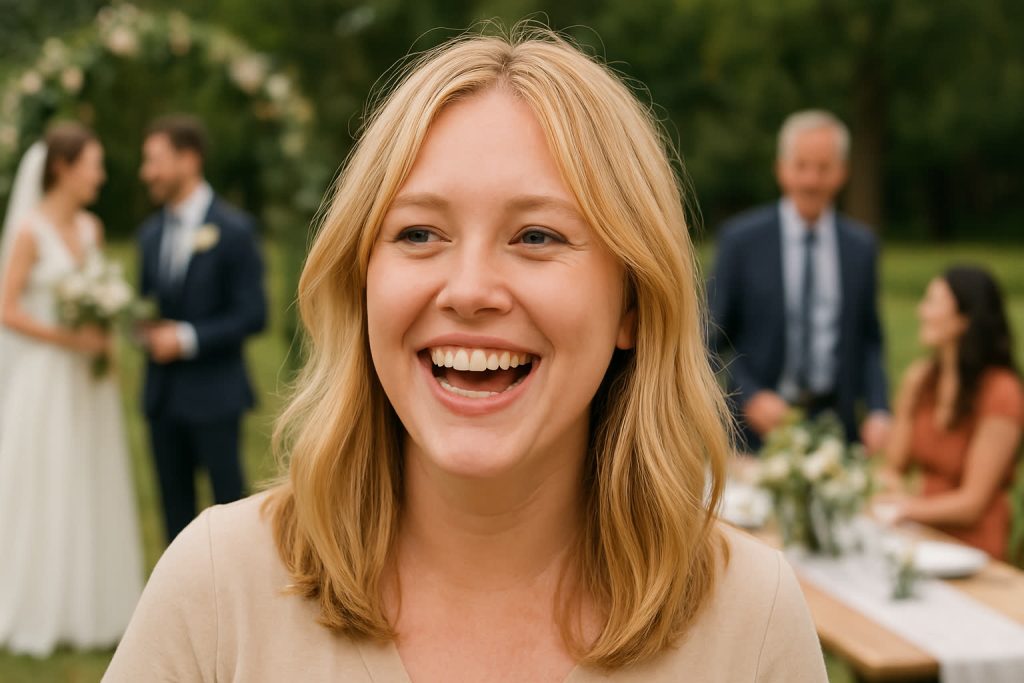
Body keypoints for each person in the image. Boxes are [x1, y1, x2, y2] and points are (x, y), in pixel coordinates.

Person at [105, 29, 826, 681]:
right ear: (361, 284)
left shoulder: (751, 618)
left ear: (632, 305)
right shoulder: (215, 587)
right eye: (419, 233)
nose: (471, 289)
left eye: (537, 236)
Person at [0, 122, 142, 656]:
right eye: (93, 165)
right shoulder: (29, 232)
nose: (100, 176)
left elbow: (101, 295)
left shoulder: (92, 230)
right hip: (48, 377)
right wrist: (67, 337)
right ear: (62, 168)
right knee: (48, 480)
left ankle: (97, 604)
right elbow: (6, 310)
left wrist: (104, 339)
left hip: (89, 381)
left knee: (91, 474)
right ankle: (39, 603)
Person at [709, 109, 890, 452]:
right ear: (782, 169)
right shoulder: (741, 242)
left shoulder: (861, 248)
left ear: (842, 173)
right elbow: (710, 338)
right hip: (756, 433)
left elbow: (870, 339)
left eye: (823, 168)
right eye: (801, 166)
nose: (811, 180)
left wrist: (880, 409)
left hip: (836, 430)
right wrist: (748, 394)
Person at [136, 115, 267, 543]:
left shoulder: (234, 230)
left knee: (229, 516)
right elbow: (147, 304)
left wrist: (187, 339)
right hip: (163, 398)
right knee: (174, 518)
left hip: (215, 396)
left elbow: (254, 314)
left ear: (189, 159)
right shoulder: (149, 235)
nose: (146, 173)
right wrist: (141, 329)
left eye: (154, 161)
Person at [878, 267, 1023, 559]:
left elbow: (973, 504)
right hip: (918, 536)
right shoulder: (922, 380)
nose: (921, 311)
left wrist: (905, 507)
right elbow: (892, 467)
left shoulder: (1002, 392)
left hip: (973, 547)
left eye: (932, 302)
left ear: (964, 319)